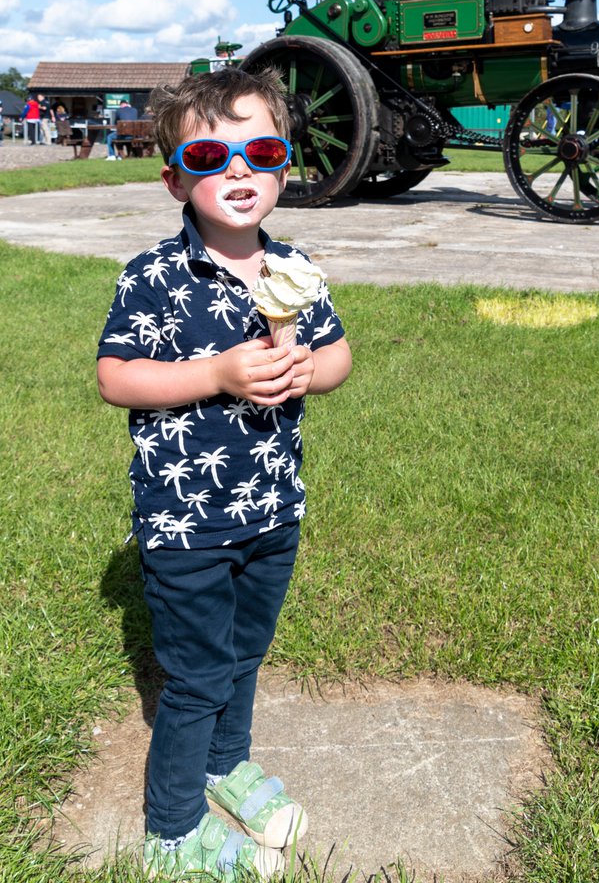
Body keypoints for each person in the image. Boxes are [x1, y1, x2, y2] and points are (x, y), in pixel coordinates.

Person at [97, 66, 352, 880]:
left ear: (284, 167)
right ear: (175, 176)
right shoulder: (152, 276)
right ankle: (170, 835)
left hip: (272, 505)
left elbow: (340, 352)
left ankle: (224, 765)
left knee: (244, 654)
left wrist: (311, 369)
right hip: (186, 520)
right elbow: (117, 378)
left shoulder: (295, 269)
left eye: (261, 150)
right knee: (198, 674)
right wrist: (215, 374)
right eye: (211, 154)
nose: (238, 170)